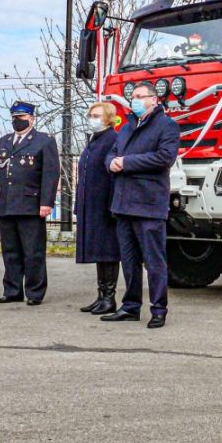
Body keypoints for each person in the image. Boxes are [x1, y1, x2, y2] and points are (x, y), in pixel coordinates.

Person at [102, 81, 180, 329]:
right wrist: (112, 162)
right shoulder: (126, 128)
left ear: (154, 99)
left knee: (154, 262)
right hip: (123, 204)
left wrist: (126, 162)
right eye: (132, 96)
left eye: (139, 96)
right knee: (129, 261)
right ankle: (130, 306)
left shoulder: (166, 126)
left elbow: (164, 157)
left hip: (148, 204)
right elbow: (111, 153)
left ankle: (158, 309)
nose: (133, 100)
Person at [0, 101, 59, 306]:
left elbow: (50, 175)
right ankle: (12, 290)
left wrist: (46, 202)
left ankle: (34, 292)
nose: (18, 120)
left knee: (33, 252)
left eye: (22, 117)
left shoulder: (44, 141)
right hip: (7, 204)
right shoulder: (3, 142)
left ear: (32, 119)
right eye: (15, 117)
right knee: (10, 250)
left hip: (30, 205)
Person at [76, 101, 121, 314]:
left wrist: (113, 205)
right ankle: (101, 295)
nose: (92, 119)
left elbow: (114, 176)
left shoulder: (113, 139)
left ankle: (110, 298)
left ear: (108, 118)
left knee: (108, 251)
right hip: (91, 204)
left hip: (105, 205)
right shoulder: (94, 140)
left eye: (97, 115)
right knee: (98, 251)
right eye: (91, 115)